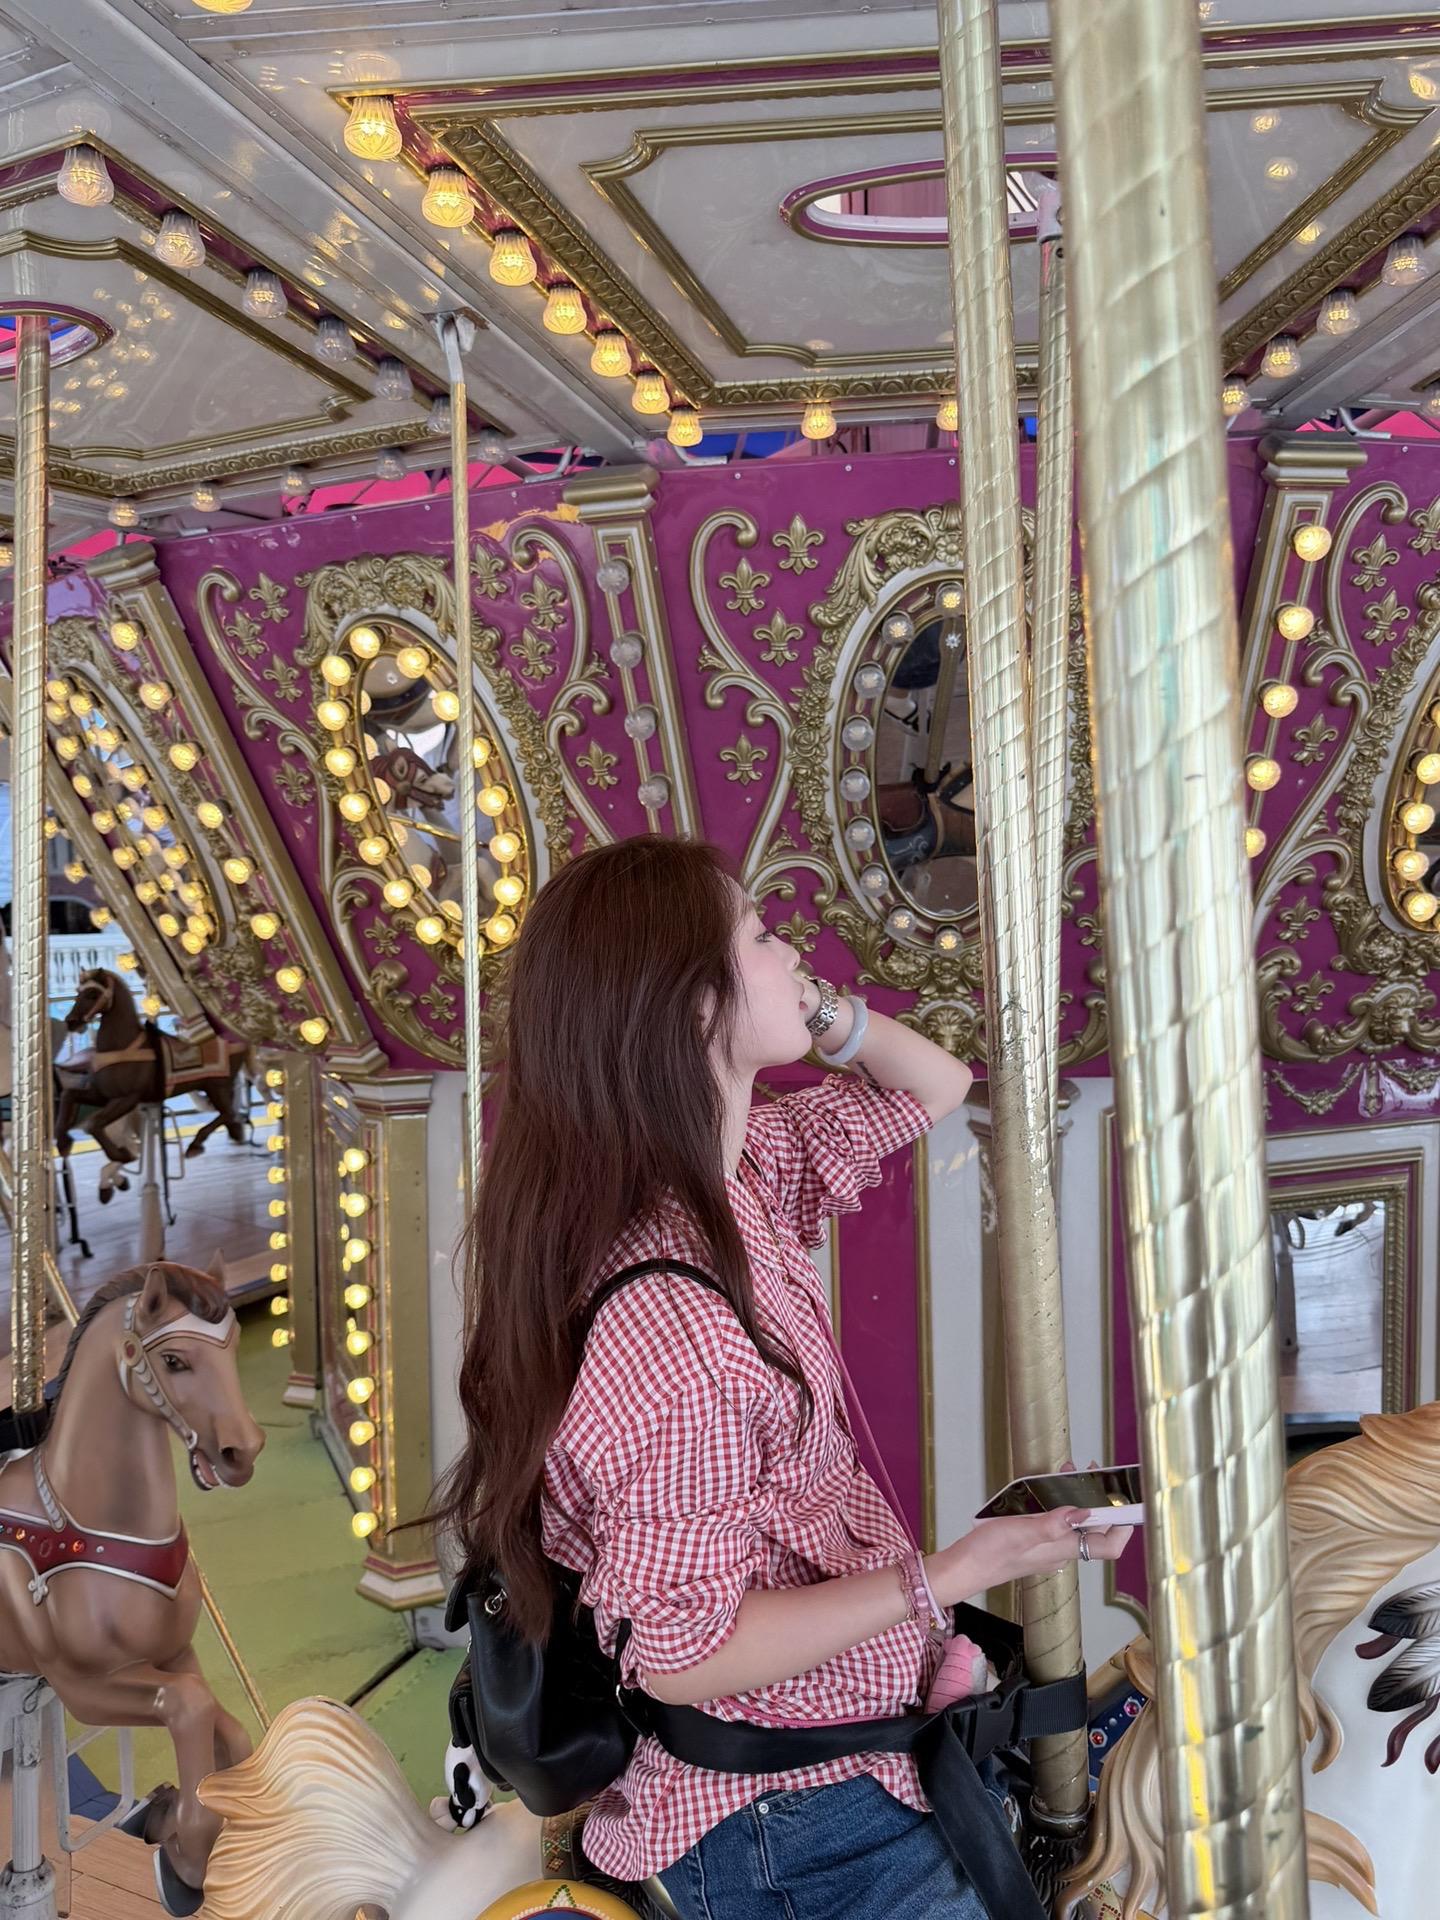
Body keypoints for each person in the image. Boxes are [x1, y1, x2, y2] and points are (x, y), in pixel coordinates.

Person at [438, 836, 1130, 1919]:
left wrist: (826, 1014)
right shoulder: (679, 1332)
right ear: (693, 1007)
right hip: (796, 1818)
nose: (794, 951)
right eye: (762, 936)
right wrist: (953, 1572)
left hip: (852, 1748)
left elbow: (938, 1085)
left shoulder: (736, 1173)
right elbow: (683, 1652)